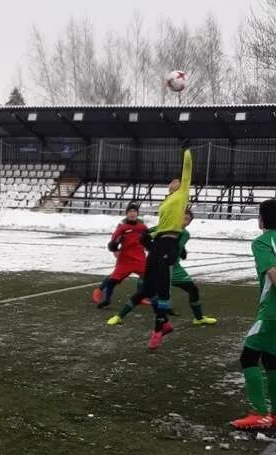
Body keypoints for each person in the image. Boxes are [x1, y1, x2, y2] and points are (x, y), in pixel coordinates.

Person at [231, 199, 276, 431]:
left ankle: (260, 412)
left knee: (248, 357)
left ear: (261, 218)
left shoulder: (261, 242)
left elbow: (273, 271)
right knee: (270, 358)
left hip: (274, 309)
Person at [108, 208, 217, 327]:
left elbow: (175, 246)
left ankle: (198, 318)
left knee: (192, 290)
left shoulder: (182, 233)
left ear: (189, 223)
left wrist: (182, 251)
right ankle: (120, 316)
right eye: (182, 217)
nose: (184, 221)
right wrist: (153, 248)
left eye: (187, 219)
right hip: (162, 266)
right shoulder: (167, 228)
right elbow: (145, 236)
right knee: (145, 292)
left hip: (173, 267)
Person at [140, 148, 193, 351]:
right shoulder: (166, 201)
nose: (175, 182)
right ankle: (164, 323)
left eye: (177, 181)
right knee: (147, 288)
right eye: (172, 181)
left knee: (162, 288)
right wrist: (150, 236)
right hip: (159, 240)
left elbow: (187, 169)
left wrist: (186, 152)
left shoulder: (182, 195)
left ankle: (157, 329)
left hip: (170, 242)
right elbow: (162, 225)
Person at [92, 202, 146, 308]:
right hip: (125, 259)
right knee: (113, 279)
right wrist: (114, 249)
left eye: (134, 211)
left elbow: (148, 239)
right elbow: (113, 241)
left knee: (148, 278)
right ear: (126, 213)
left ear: (137, 213)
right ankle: (101, 292)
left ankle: (141, 297)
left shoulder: (142, 226)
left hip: (139, 258)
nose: (132, 213)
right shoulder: (122, 226)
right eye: (130, 211)